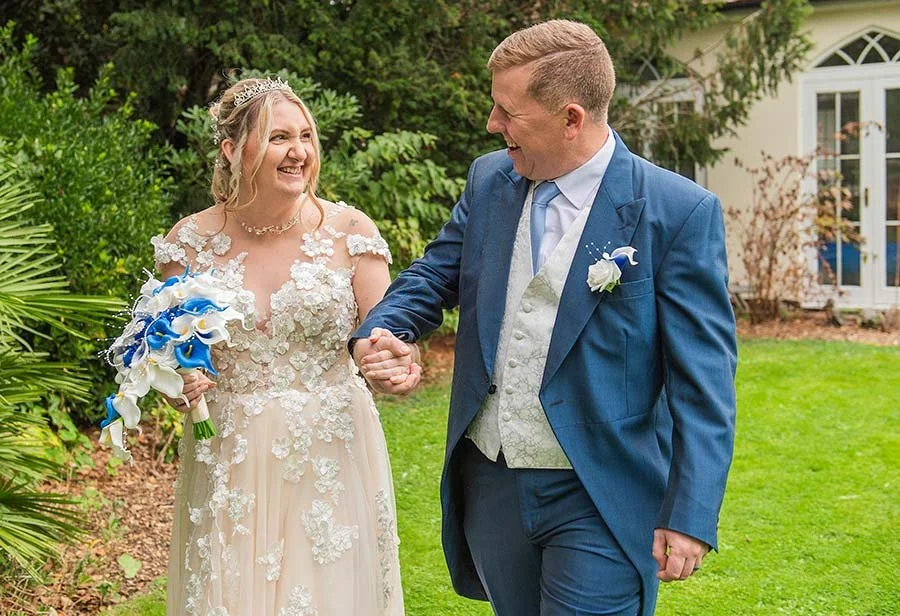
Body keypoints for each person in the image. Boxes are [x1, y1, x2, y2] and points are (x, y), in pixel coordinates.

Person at [352, 20, 737, 616]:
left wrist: (689, 513)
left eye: (508, 111)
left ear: (572, 118)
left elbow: (703, 382)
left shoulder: (677, 212)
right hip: (492, 481)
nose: (492, 125)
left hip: (600, 492)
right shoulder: (489, 180)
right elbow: (434, 274)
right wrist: (384, 330)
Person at [153, 77, 415, 615]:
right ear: (231, 149)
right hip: (230, 452)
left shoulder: (349, 232)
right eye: (278, 138)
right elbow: (170, 354)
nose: (298, 152)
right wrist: (178, 383)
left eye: (305, 137)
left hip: (330, 448)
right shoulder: (189, 243)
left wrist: (391, 363)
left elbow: (385, 335)